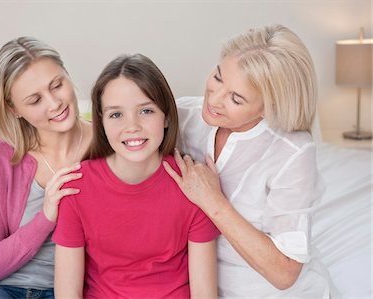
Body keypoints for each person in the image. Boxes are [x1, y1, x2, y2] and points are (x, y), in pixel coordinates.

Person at [163, 24, 337, 298]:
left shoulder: (292, 151)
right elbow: (116, 130)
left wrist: (212, 200)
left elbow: (285, 273)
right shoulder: (184, 115)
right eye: (218, 78)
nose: (214, 99)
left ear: (269, 106)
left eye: (236, 98)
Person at [52, 54, 220, 298]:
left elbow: (204, 294)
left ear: (167, 117)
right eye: (116, 114)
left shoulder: (192, 185)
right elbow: (67, 294)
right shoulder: (77, 187)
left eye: (146, 111)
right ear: (102, 122)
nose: (132, 126)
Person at [0, 37, 93, 299]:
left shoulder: (111, 142)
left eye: (57, 85)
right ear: (14, 109)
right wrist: (45, 217)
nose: (54, 103)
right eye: (35, 100)